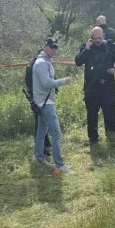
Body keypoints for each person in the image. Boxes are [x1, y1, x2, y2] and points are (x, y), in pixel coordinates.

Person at [75, 26, 115, 144]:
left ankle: (112, 136)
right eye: (95, 38)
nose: (97, 40)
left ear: (104, 36)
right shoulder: (86, 47)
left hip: (107, 87)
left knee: (110, 113)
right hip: (91, 87)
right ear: (91, 37)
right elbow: (78, 62)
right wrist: (86, 50)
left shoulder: (111, 46)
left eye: (99, 37)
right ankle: (93, 139)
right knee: (92, 114)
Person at [32, 38, 73, 174]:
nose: (54, 50)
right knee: (56, 134)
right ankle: (60, 165)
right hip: (45, 103)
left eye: (56, 47)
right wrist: (63, 81)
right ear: (44, 47)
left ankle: (39, 158)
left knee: (41, 132)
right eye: (51, 47)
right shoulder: (42, 63)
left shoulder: (44, 61)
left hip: (41, 102)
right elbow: (46, 83)